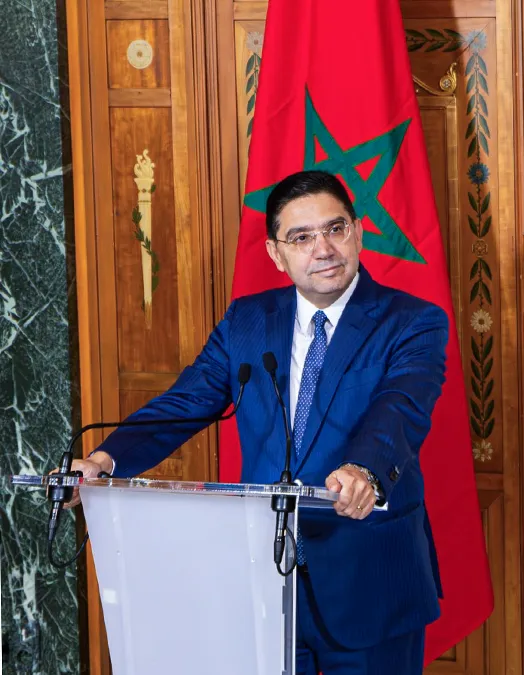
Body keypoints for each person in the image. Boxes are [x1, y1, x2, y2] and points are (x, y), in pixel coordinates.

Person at [63, 169, 446, 674]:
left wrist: (364, 470)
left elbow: (400, 407)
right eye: (302, 237)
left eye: (335, 229)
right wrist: (104, 459)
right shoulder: (247, 321)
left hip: (368, 578)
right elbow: (186, 403)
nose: (323, 248)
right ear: (276, 253)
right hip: (265, 580)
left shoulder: (412, 320)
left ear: (358, 230)